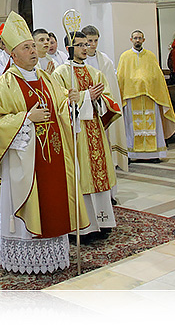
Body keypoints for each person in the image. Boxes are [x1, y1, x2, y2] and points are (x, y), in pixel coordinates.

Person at [0, 12, 86, 274]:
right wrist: (27, 118)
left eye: (33, 46)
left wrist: (72, 102)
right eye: (26, 47)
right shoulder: (3, 84)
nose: (33, 51)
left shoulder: (47, 78)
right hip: (24, 161)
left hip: (53, 155)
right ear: (13, 54)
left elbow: (61, 107)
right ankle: (25, 255)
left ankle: (55, 250)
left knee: (55, 201)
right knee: (30, 202)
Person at [52, 31, 121, 242]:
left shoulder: (95, 72)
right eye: (80, 44)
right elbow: (58, 103)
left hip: (95, 132)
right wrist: (85, 97)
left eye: (87, 44)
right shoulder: (60, 73)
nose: (85, 48)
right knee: (81, 177)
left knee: (98, 175)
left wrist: (98, 99)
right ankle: (83, 227)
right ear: (69, 48)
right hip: (76, 134)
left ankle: (103, 221)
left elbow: (110, 101)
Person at [116, 30, 175, 162]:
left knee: (153, 124)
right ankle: (133, 154)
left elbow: (158, 76)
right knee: (131, 125)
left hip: (151, 96)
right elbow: (121, 77)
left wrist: (150, 86)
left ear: (143, 40)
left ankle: (153, 154)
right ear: (131, 40)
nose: (137, 40)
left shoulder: (150, 56)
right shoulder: (125, 57)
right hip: (131, 97)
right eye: (135, 38)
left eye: (140, 38)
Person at [82, 25, 129, 176]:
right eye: (89, 41)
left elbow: (111, 87)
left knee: (105, 144)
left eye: (95, 40)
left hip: (102, 108)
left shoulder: (105, 61)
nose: (93, 44)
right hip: (85, 109)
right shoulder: (77, 62)